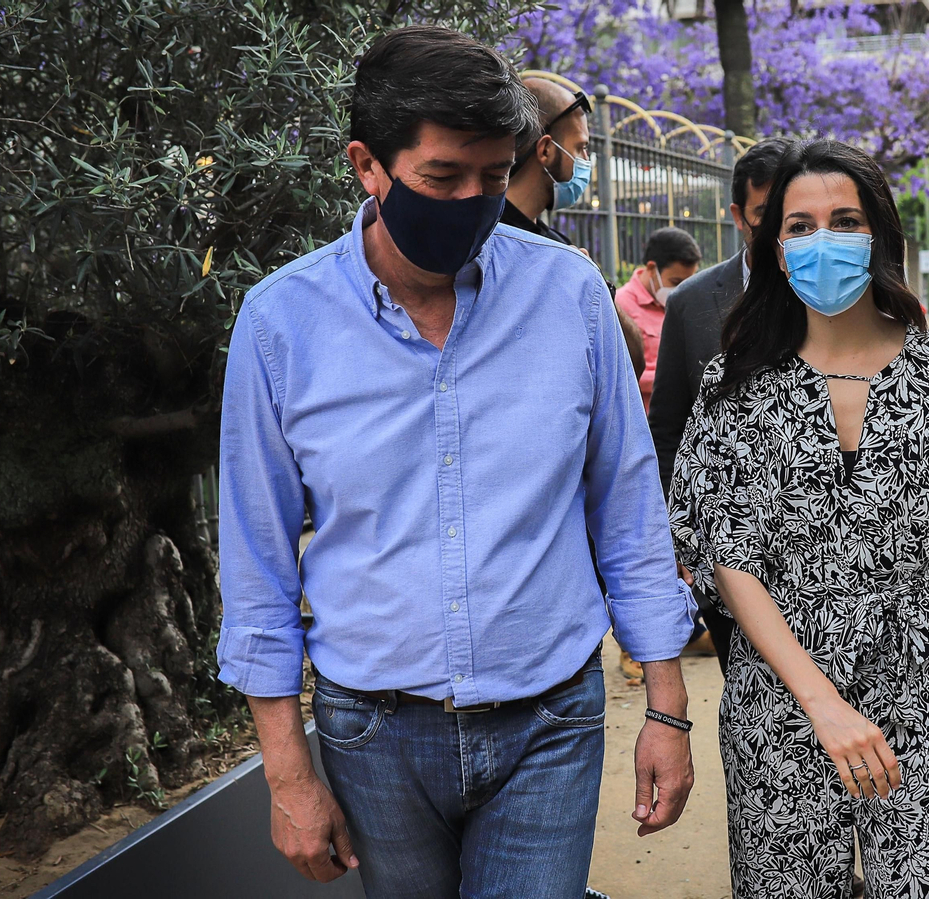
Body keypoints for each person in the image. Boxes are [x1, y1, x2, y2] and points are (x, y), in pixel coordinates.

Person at [217, 27, 696, 897]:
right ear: (368, 165)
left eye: (494, 175)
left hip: (550, 719)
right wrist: (288, 776)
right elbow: (255, 563)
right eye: (443, 178)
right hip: (374, 737)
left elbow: (627, 511)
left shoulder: (570, 295)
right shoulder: (281, 323)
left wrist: (667, 706)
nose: (472, 201)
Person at [671, 139, 929, 898]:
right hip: (780, 699)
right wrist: (825, 705)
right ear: (773, 248)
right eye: (798, 226)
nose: (821, 240)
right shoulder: (734, 384)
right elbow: (729, 561)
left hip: (925, 690)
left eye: (844, 219)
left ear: (881, 236)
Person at [650, 136, 792, 673]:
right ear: (738, 215)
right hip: (731, 564)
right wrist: (683, 548)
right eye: (765, 215)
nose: (780, 230)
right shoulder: (692, 303)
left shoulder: (844, 291)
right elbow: (670, 429)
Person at [502, 76, 646, 377]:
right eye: (580, 148)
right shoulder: (493, 242)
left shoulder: (559, 245)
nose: (584, 162)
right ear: (546, 150)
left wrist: (593, 282)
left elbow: (630, 358)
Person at [614, 227, 702, 411]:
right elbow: (620, 372)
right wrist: (676, 378)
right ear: (652, 269)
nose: (682, 290)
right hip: (643, 419)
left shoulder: (685, 304)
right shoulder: (620, 307)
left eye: (688, 283)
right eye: (676, 282)